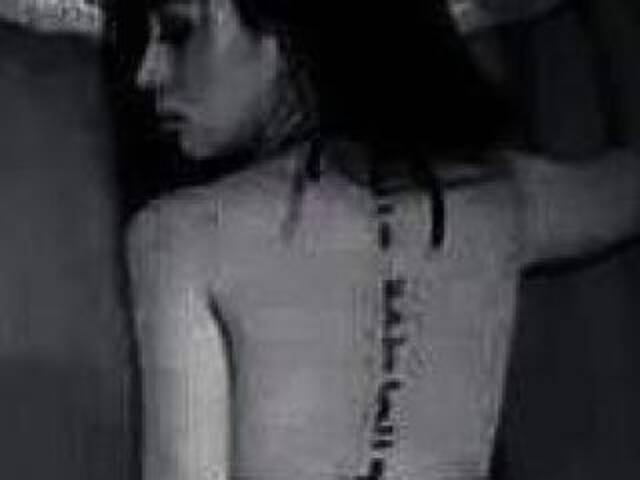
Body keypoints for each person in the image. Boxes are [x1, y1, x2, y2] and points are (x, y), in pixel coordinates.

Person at [124, 0, 640, 479]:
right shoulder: (501, 200)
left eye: (178, 31)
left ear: (285, 30)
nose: (147, 72)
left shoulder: (181, 238)